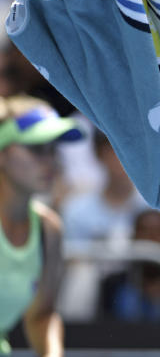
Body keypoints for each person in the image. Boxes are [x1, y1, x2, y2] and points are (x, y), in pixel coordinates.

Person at [0, 95, 80, 357]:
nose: (50, 161)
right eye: (36, 148)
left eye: (52, 149)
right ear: (2, 153)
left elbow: (41, 315)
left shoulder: (49, 230)